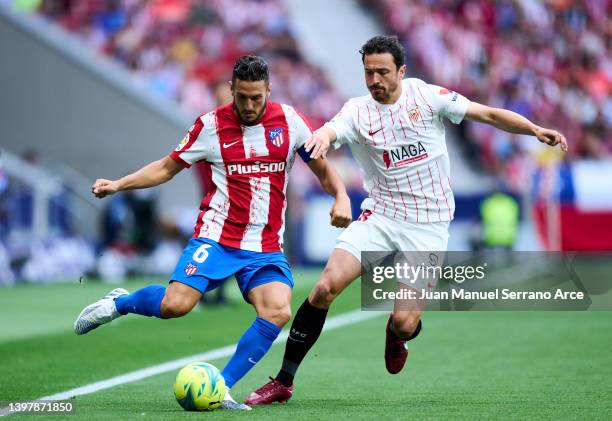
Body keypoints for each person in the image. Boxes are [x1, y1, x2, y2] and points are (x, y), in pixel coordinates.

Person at [245, 35, 568, 406]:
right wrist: (320, 137)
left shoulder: (427, 97)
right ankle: (283, 380)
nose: (375, 80)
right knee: (323, 288)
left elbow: (489, 114)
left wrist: (533, 130)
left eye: (383, 72)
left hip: (428, 227)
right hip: (380, 215)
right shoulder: (357, 111)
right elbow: (331, 130)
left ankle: (397, 334)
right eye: (369, 72)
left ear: (401, 70)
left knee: (404, 322)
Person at [73, 55, 352, 410]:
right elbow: (165, 168)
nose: (249, 106)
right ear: (231, 90)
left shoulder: (290, 122)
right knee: (175, 306)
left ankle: (221, 386)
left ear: (269, 90)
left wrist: (341, 196)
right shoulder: (209, 126)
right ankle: (119, 302)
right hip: (217, 237)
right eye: (242, 98)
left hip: (264, 244)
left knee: (278, 310)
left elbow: (324, 171)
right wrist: (117, 185)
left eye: (257, 98)